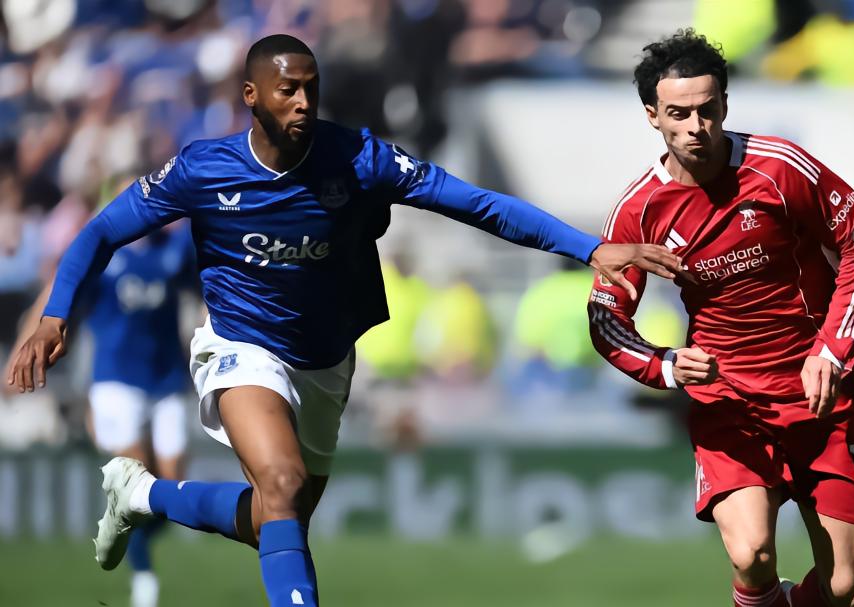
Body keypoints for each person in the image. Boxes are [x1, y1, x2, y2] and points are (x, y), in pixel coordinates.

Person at [6, 34, 679, 607]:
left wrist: (588, 247)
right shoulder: (203, 170)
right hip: (240, 345)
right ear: (251, 96)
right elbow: (101, 231)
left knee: (277, 516)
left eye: (311, 88)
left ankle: (144, 494)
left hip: (326, 358)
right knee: (281, 485)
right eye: (287, 90)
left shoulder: (359, 158)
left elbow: (476, 203)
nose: (303, 102)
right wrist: (56, 315)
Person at [587, 30, 854, 607]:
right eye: (679, 114)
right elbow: (606, 316)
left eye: (707, 110)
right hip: (730, 402)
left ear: (725, 104)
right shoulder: (639, 210)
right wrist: (663, 366)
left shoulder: (779, 168)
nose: (696, 126)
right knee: (752, 556)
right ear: (652, 116)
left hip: (820, 396)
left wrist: (830, 348)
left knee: (849, 591)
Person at [9, 224, 197, 607]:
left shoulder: (177, 248)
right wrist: (22, 350)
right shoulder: (104, 252)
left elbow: (208, 286)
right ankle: (144, 580)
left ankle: (123, 530)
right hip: (116, 382)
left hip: (167, 380)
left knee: (173, 492)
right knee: (138, 486)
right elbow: (56, 297)